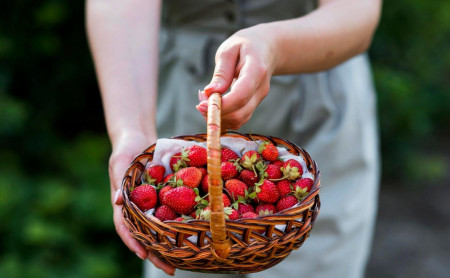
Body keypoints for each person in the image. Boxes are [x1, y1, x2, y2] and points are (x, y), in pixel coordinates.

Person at [86, 0, 382, 277]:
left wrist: (274, 46)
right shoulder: (175, 160)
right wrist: (132, 131)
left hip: (317, 89)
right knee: (185, 250)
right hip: (183, 100)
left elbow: (357, 12)